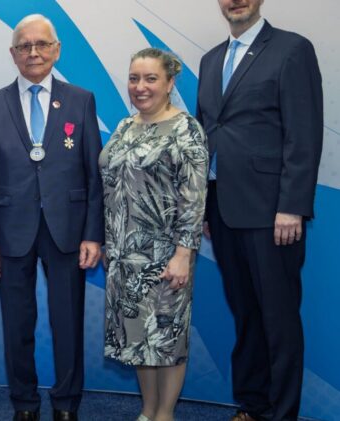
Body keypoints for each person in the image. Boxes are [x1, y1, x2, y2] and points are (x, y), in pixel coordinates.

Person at [0, 14, 103, 421]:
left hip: (68, 230)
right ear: (13, 54)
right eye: (25, 46)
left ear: (56, 49)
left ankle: (66, 404)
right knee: (17, 325)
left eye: (41, 44)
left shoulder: (81, 100)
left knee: (68, 324)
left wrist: (93, 234)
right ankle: (24, 404)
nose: (33, 52)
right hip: (10, 233)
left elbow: (93, 174)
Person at [196, 1, 323, 420]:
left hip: (273, 215)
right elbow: (206, 137)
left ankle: (282, 413)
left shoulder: (291, 49)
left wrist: (292, 206)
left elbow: (303, 134)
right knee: (246, 315)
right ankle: (252, 406)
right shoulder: (210, 59)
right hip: (222, 210)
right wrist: (202, 206)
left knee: (279, 320)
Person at [100, 48, 208, 421]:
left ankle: (165, 415)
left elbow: (194, 199)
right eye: (134, 78)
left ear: (169, 83)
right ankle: (147, 412)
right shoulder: (124, 126)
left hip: (165, 258)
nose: (140, 87)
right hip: (122, 255)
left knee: (164, 337)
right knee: (136, 339)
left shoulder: (186, 129)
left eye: (150, 79)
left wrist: (183, 254)